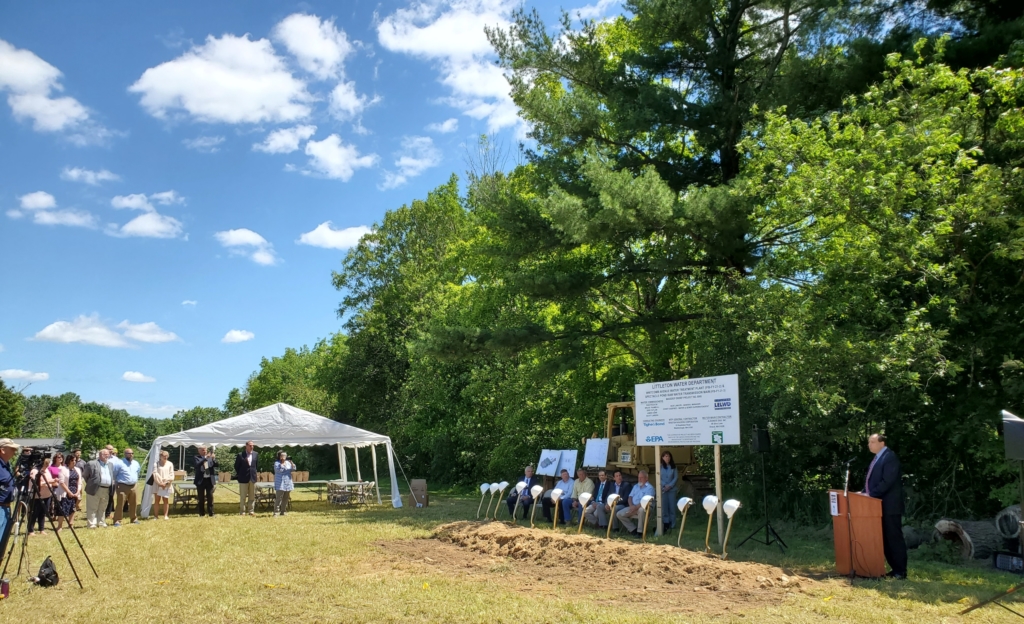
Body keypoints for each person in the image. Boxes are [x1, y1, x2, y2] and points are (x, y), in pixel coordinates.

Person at [865, 433, 907, 579]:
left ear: (882, 443)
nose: (869, 445)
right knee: (885, 539)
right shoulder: (878, 458)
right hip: (879, 505)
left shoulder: (889, 457)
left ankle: (900, 571)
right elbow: (874, 480)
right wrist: (864, 492)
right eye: (869, 442)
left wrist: (870, 494)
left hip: (890, 506)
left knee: (893, 538)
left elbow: (887, 481)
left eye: (872, 442)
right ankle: (894, 569)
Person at [616, 470, 656, 536]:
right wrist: (631, 506)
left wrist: (636, 507)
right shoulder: (636, 486)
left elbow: (646, 501)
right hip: (633, 507)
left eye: (641, 478)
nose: (639, 479)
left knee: (641, 510)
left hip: (645, 507)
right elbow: (630, 497)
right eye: (638, 477)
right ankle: (633, 529)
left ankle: (640, 532)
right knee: (619, 514)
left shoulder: (650, 488)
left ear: (646, 478)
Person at [82, 448, 114, 528]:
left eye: (108, 454)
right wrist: (92, 483)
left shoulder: (110, 464)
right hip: (95, 488)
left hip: (106, 489)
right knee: (93, 507)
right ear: (99, 455)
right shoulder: (92, 463)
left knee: (102, 507)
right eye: (104, 454)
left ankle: (101, 522)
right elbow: (86, 475)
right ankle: (92, 523)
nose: (107, 456)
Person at [111, 447, 141, 526]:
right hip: (122, 486)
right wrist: (117, 483)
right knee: (120, 504)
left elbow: (138, 472)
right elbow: (114, 474)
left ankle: (134, 519)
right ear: (125, 454)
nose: (131, 455)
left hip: (133, 486)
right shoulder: (119, 463)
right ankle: (117, 520)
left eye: (132, 453)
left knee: (133, 503)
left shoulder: (136, 463)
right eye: (128, 453)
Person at [0, 439, 20, 557]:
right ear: (2, 450)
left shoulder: (7, 464)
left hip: (6, 507)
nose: (15, 451)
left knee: (2, 541)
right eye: (12, 449)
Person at [28, 457, 56, 536]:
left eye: (48, 464)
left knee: (43, 513)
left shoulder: (47, 471)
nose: (47, 466)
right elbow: (36, 484)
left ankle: (41, 529)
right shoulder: (35, 471)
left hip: (47, 495)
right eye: (46, 464)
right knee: (34, 513)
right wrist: (50, 481)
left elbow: (49, 481)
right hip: (36, 496)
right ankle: (30, 530)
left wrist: (54, 482)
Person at [56, 455, 83, 531]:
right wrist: (68, 492)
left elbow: (79, 482)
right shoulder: (63, 469)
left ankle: (71, 524)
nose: (74, 462)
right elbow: (61, 482)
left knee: (73, 508)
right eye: (72, 460)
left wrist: (78, 491)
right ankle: (60, 526)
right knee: (62, 509)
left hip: (75, 491)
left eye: (75, 460)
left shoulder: (77, 470)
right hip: (65, 492)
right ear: (68, 461)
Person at [234, 440, 258, 516]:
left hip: (252, 478)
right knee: (243, 496)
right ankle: (242, 511)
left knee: (252, 496)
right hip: (243, 478)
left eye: (253, 445)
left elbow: (256, 465)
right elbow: (236, 466)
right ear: (246, 446)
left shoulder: (256, 454)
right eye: (250, 445)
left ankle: (251, 511)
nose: (252, 447)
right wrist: (241, 474)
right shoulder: (240, 455)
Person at [194, 446, 218, 517]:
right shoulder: (196, 457)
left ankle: (211, 512)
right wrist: (205, 458)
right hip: (201, 480)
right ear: (199, 451)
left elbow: (216, 465)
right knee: (201, 497)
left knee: (210, 496)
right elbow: (197, 465)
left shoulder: (210, 458)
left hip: (209, 480)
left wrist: (213, 459)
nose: (205, 451)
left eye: (205, 450)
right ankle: (202, 513)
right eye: (203, 450)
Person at [152, 450, 175, 520]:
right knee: (157, 500)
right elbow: (155, 474)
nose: (165, 457)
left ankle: (166, 515)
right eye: (164, 456)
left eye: (166, 456)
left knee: (165, 500)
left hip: (166, 484)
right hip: (157, 484)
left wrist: (166, 483)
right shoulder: (156, 464)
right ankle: (156, 516)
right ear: (160, 456)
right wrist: (160, 483)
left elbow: (171, 474)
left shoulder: (170, 464)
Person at [660, 451, 679, 532]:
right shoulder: (660, 467)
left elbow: (676, 478)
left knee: (672, 507)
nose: (667, 458)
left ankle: (673, 524)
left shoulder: (673, 467)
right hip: (663, 490)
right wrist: (664, 485)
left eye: (669, 456)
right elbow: (658, 477)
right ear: (662, 457)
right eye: (666, 456)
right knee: (664, 507)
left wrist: (670, 485)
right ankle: (666, 523)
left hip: (672, 490)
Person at [273, 451, 295, 516]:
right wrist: (282, 464)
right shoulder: (277, 463)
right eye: (283, 456)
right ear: (280, 457)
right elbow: (279, 470)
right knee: (278, 498)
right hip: (280, 483)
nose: (285, 457)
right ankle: (276, 512)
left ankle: (283, 511)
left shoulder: (288, 463)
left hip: (288, 482)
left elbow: (294, 469)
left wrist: (292, 463)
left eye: (285, 456)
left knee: (286, 498)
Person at [105, 445, 117, 520]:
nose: (111, 451)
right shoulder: (100, 458)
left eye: (112, 449)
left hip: (112, 482)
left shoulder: (116, 459)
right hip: (103, 482)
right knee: (102, 498)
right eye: (110, 449)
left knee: (110, 497)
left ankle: (108, 513)